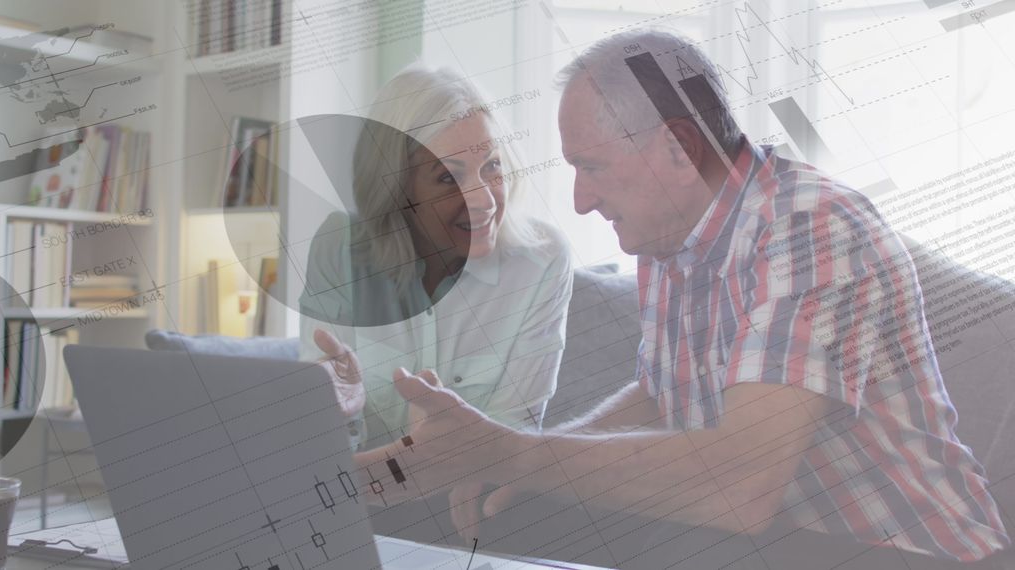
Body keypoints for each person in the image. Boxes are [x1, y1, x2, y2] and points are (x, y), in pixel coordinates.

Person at [359, 29, 1011, 569]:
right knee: (503, 518)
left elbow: (741, 483)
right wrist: (522, 463)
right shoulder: (675, 236)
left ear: (677, 149)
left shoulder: (811, 226)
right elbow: (662, 395)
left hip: (908, 551)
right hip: (779, 540)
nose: (581, 200)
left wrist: (513, 453)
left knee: (681, 540)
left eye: (593, 166)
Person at [298, 65, 573, 541]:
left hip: (473, 521)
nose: (482, 198)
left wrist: (431, 451)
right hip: (355, 516)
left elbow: (509, 441)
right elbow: (319, 440)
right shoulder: (338, 246)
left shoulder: (541, 260)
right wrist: (336, 413)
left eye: (492, 165)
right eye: (449, 177)